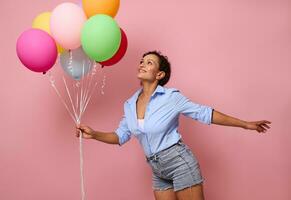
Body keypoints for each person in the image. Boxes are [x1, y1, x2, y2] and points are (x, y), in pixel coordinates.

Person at [76, 50, 271, 200]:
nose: (142, 64)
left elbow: (206, 113)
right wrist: (94, 134)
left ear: (159, 74)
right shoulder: (129, 104)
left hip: (180, 163)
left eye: (149, 62)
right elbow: (120, 136)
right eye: (142, 61)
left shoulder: (171, 97)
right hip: (157, 169)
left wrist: (245, 124)